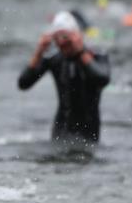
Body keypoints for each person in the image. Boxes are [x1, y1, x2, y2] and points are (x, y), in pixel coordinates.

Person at [18, 11, 111, 145]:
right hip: (61, 132)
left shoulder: (96, 54)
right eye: (58, 38)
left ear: (78, 34)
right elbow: (23, 83)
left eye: (67, 37)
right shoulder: (54, 58)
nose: (63, 42)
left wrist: (80, 52)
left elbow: (103, 79)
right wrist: (39, 51)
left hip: (90, 134)